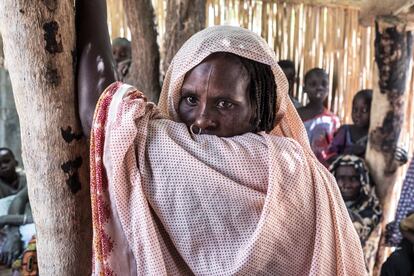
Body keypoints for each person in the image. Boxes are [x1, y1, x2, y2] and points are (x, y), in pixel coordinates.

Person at [77, 1, 366, 274]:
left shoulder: (196, 158)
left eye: (224, 104)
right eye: (190, 99)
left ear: (258, 111)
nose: (202, 118)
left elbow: (100, 112)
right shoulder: (301, 169)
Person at [329, 154, 382, 272]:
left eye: (353, 178)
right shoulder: (324, 207)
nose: (346, 185)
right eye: (341, 178)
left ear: (363, 181)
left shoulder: (373, 211)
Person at [297, 68, 340, 166]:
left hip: (323, 170)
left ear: (328, 88)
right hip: (298, 168)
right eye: (313, 84)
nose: (319, 88)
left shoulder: (333, 120)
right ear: (304, 88)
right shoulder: (295, 115)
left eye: (324, 84)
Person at [328, 89, 372, 159]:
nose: (358, 114)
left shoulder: (375, 135)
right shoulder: (345, 131)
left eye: (364, 110)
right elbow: (330, 157)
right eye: (355, 110)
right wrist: (350, 152)